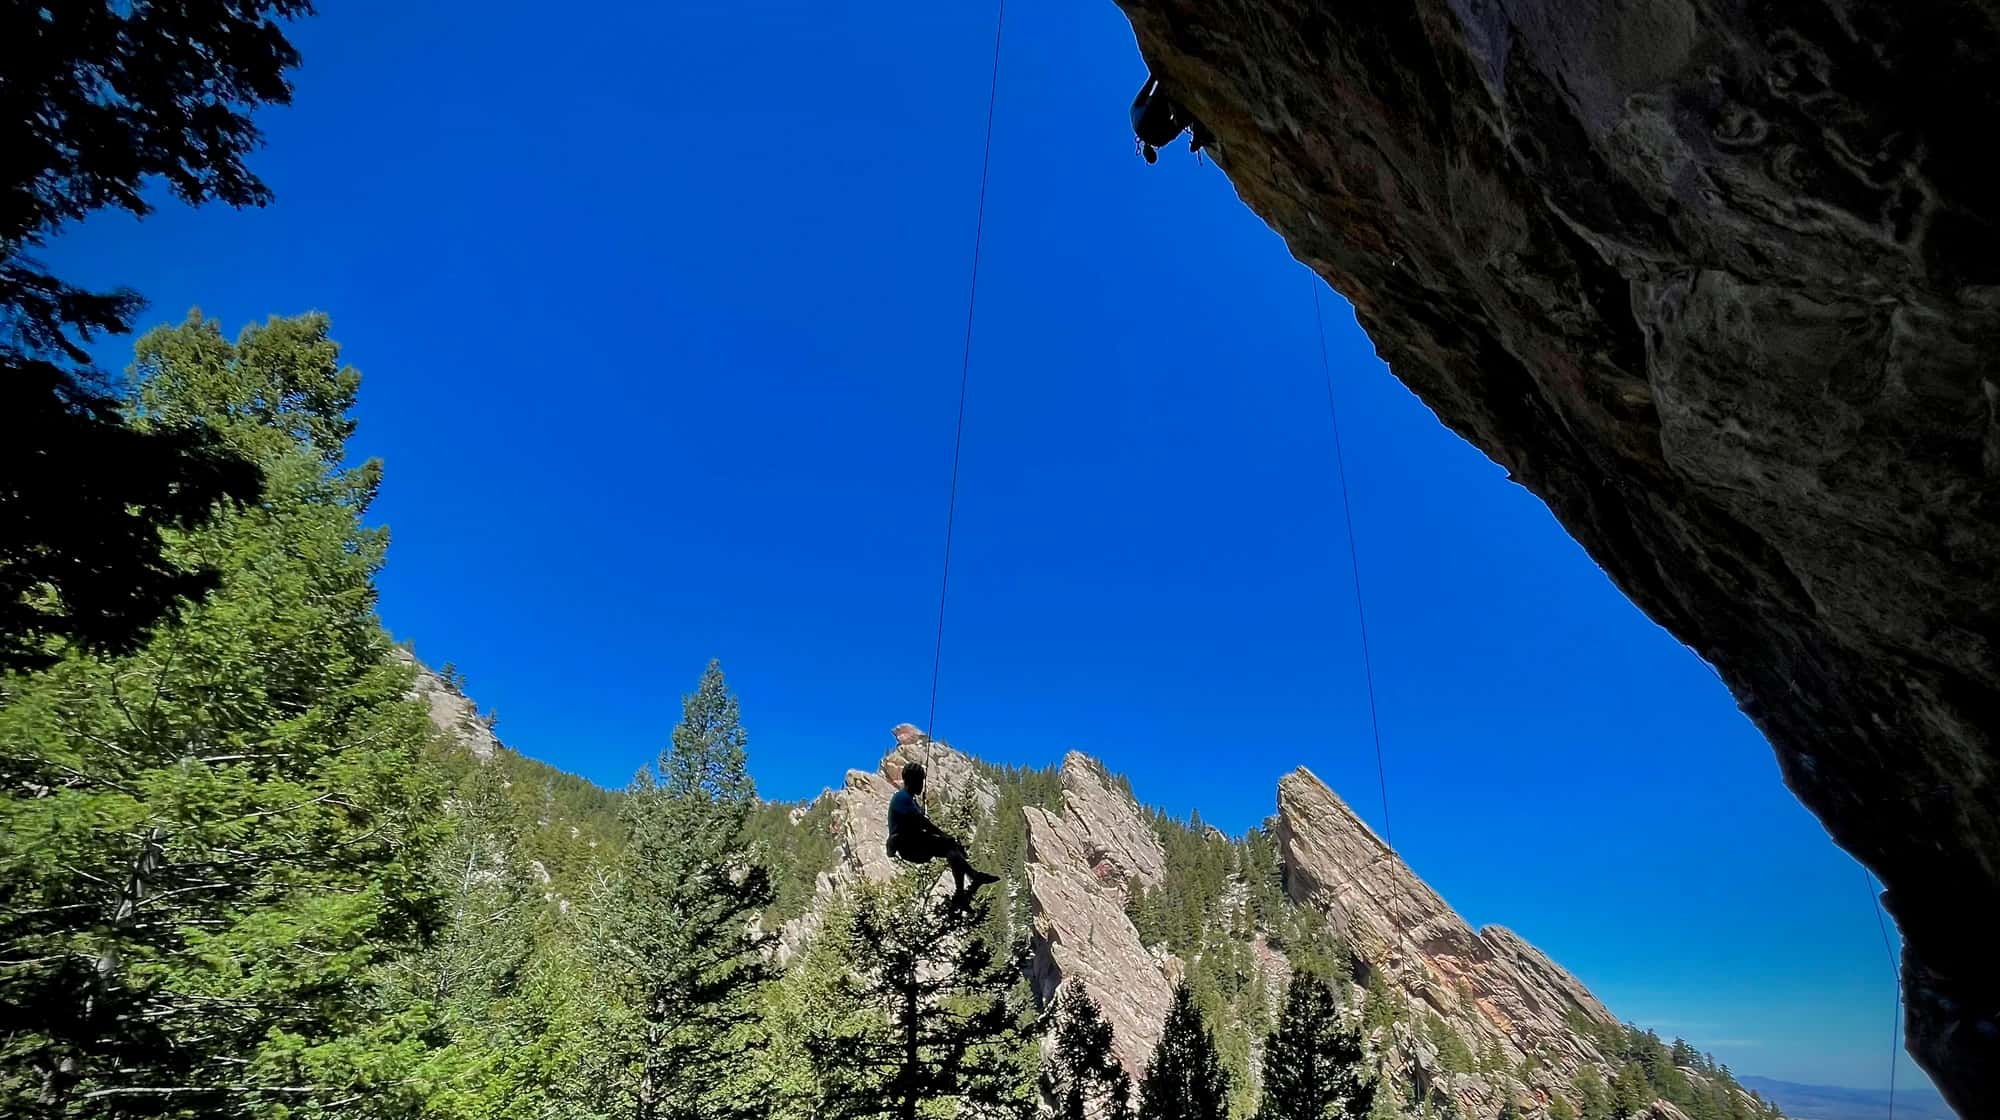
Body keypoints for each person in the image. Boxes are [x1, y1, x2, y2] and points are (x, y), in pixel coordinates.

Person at [886, 761, 1000, 905]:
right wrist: (944, 835)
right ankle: (966, 886)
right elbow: (923, 823)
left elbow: (918, 820)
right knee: (949, 845)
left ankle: (969, 883)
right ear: (913, 780)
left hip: (912, 843)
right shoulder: (902, 799)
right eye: (921, 780)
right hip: (909, 846)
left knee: (951, 847)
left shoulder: (907, 799)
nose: (922, 784)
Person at [1130, 73, 1214, 164]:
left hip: (1168, 103)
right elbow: (1148, 87)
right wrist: (1155, 75)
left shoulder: (1158, 141)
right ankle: (1198, 133)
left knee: (1182, 117)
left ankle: (1199, 134)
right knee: (1178, 114)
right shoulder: (1135, 120)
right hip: (1163, 96)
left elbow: (1178, 126)